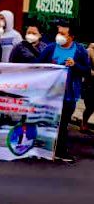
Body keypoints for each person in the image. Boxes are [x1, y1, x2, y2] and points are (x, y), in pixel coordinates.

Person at [38, 21, 91, 161]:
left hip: (69, 95)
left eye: (62, 34)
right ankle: (44, 148)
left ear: (71, 37)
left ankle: (60, 151)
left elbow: (87, 71)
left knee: (63, 124)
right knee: (48, 122)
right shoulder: (50, 48)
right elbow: (37, 65)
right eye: (58, 33)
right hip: (49, 94)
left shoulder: (79, 51)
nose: (59, 36)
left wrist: (75, 65)